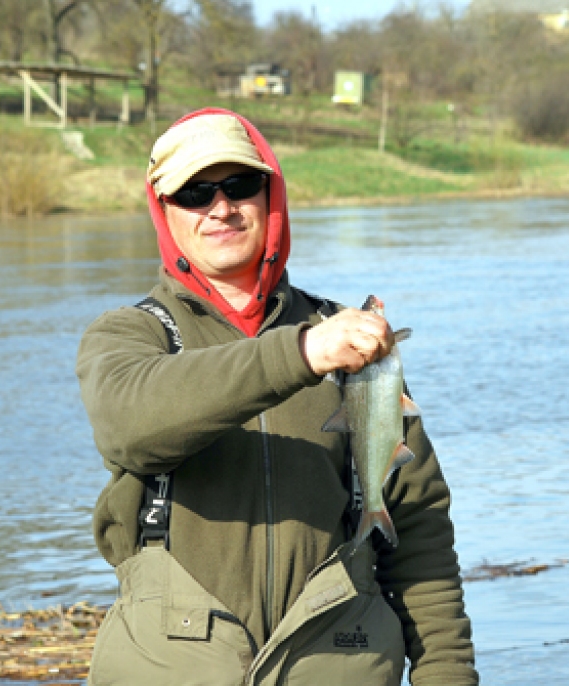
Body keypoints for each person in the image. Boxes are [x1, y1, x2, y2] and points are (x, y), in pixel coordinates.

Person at [76, 108, 477, 686]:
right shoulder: (128, 335)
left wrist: (449, 674)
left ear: (272, 196)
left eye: (240, 186)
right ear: (164, 212)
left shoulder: (354, 343)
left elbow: (419, 530)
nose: (220, 208)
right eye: (193, 193)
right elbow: (128, 426)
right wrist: (302, 354)